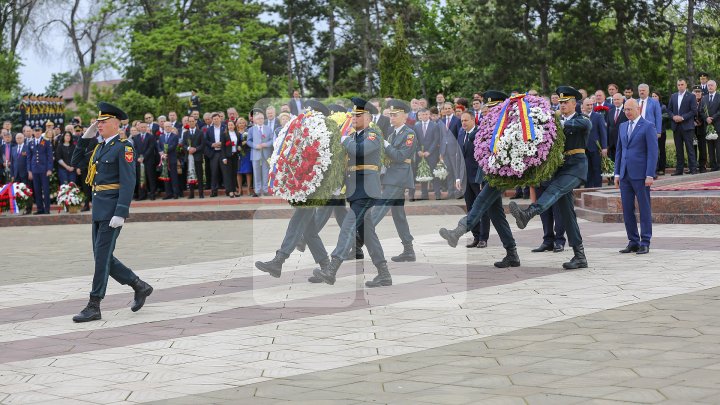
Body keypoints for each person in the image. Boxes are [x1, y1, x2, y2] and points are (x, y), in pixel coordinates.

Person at [70, 102, 153, 323]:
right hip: (99, 210)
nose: (99, 125)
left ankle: (94, 305)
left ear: (116, 124)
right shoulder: (100, 147)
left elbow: (128, 182)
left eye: (103, 122)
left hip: (112, 211)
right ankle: (139, 285)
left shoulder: (124, 147)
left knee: (101, 259)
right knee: (102, 257)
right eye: (98, 122)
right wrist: (86, 135)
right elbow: (75, 161)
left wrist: (121, 212)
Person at [509, 86, 592, 270]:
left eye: (565, 102)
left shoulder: (581, 120)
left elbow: (580, 126)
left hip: (576, 168)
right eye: (560, 102)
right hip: (561, 169)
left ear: (574, 104)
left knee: (553, 190)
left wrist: (553, 121)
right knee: (568, 215)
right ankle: (580, 256)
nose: (561, 105)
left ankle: (528, 213)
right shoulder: (556, 121)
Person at [313, 97, 391, 288]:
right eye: (353, 115)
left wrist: (346, 139)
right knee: (369, 235)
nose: (354, 119)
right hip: (356, 191)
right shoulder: (353, 136)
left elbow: (361, 151)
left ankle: (332, 268)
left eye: (358, 115)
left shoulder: (373, 134)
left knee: (348, 227)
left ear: (368, 117)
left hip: (366, 190)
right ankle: (384, 274)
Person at [439, 90, 521, 268]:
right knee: (497, 215)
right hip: (487, 174)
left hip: (499, 175)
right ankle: (512, 253)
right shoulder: (492, 124)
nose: (489, 110)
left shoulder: (509, 124)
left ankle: (458, 231)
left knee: (480, 203)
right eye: (488, 107)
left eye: (493, 107)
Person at [254, 101, 335, 278]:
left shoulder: (324, 132)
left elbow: (324, 161)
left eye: (309, 111)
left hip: (314, 188)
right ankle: (327, 267)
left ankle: (279, 260)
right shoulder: (309, 131)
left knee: (298, 221)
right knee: (309, 230)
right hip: (306, 187)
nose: (306, 114)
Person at [366, 99, 417, 262]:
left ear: (404, 116)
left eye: (395, 115)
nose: (391, 118)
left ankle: (354, 241)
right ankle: (409, 250)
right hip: (392, 176)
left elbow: (401, 156)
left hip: (399, 178)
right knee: (398, 215)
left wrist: (386, 145)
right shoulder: (392, 133)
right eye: (390, 115)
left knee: (378, 210)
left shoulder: (409, 134)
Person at [614, 99, 658, 254]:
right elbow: (619, 151)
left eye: (629, 109)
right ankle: (633, 241)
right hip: (625, 174)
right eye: (625, 109)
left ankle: (645, 241)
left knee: (644, 209)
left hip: (641, 175)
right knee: (627, 209)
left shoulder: (648, 126)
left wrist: (649, 174)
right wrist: (617, 173)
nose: (627, 112)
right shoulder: (622, 126)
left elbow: (653, 153)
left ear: (638, 108)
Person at [458, 109, 490, 248]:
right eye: (461, 121)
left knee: (482, 208)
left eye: (466, 120)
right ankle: (476, 236)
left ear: (473, 120)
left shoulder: (480, 134)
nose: (463, 123)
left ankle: (483, 238)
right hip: (465, 178)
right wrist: (458, 177)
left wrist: (482, 179)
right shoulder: (461, 134)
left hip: (477, 178)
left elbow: (483, 158)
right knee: (470, 208)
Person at [667, 78, 698, 175]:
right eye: (678, 85)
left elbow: (693, 111)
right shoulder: (673, 96)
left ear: (686, 85)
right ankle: (679, 170)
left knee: (690, 148)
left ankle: (693, 169)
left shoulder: (691, 96)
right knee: (678, 149)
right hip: (676, 126)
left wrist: (682, 117)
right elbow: (669, 110)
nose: (680, 86)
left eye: (682, 84)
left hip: (687, 126)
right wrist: (673, 117)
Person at [580, 97, 607, 188]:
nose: (590, 106)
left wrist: (604, 147)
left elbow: (603, 132)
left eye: (591, 105)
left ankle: (597, 188)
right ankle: (587, 189)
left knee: (596, 169)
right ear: (583, 106)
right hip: (583, 148)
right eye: (587, 105)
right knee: (587, 170)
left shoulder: (598, 116)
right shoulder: (579, 117)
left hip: (595, 147)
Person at [246, 110, 273, 196]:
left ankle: (265, 190)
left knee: (265, 172)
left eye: (262, 118)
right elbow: (248, 141)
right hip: (255, 153)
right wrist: (255, 146)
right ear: (254, 120)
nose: (260, 120)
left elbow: (273, 140)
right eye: (258, 119)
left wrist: (266, 144)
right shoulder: (251, 129)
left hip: (266, 153)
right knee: (256, 172)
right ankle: (257, 191)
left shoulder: (268, 129)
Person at [27, 125, 53, 214]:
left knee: (45, 190)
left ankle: (47, 209)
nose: (37, 132)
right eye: (35, 131)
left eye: (39, 131)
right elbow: (29, 158)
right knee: (37, 190)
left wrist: (49, 169)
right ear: (33, 132)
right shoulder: (30, 143)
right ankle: (40, 209)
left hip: (44, 169)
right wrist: (29, 170)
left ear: (41, 131)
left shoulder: (46, 142)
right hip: (34, 169)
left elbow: (50, 156)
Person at [182, 116, 205, 198]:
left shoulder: (200, 132)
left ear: (195, 122)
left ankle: (201, 193)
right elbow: (183, 145)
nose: (191, 122)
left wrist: (195, 149)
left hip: (197, 156)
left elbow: (202, 144)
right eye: (190, 121)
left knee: (199, 175)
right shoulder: (185, 133)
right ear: (188, 122)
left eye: (192, 121)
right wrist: (188, 148)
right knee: (190, 174)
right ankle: (191, 194)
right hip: (189, 157)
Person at [700, 80, 720, 171]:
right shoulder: (704, 98)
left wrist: (712, 118)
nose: (710, 87)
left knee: (718, 146)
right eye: (708, 86)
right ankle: (713, 165)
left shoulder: (719, 96)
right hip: (707, 126)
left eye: (712, 85)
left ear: (715, 86)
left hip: (717, 124)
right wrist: (706, 118)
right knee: (710, 147)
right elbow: (701, 111)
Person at [158, 121, 180, 199]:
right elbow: (159, 146)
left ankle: (175, 193)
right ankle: (168, 193)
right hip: (164, 160)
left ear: (171, 127)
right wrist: (161, 153)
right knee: (165, 177)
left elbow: (173, 146)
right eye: (166, 126)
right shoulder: (161, 137)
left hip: (172, 159)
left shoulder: (174, 136)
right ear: (164, 127)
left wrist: (166, 152)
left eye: (169, 126)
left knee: (173, 177)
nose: (167, 128)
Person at [221, 119, 240, 197]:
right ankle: (229, 190)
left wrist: (239, 147)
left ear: (234, 126)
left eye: (232, 125)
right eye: (229, 125)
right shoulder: (225, 134)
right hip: (228, 156)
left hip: (235, 155)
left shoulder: (237, 134)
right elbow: (222, 147)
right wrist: (224, 158)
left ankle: (234, 189)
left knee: (234, 173)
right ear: (227, 126)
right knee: (228, 174)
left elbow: (239, 143)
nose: (230, 126)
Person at [236, 117, 252, 196]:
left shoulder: (248, 132)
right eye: (240, 123)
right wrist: (238, 146)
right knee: (238, 172)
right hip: (238, 155)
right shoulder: (235, 133)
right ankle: (240, 189)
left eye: (243, 123)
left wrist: (247, 142)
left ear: (245, 124)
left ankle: (248, 189)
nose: (241, 124)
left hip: (247, 153)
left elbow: (252, 141)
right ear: (237, 124)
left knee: (248, 171)